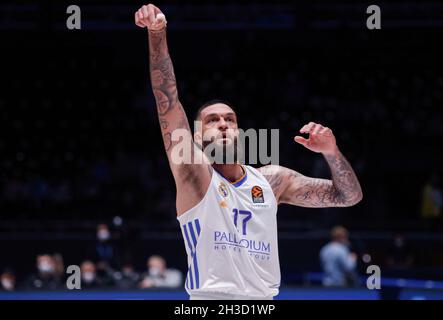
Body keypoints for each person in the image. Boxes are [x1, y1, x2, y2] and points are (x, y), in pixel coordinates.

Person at [134, 3, 363, 300]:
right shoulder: (194, 175)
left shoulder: (272, 180)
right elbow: (167, 101)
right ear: (198, 135)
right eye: (213, 121)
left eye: (230, 119)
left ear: (240, 132)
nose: (223, 124)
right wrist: (157, 33)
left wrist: (331, 152)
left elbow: (349, 196)